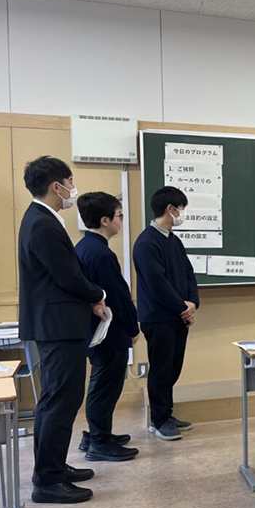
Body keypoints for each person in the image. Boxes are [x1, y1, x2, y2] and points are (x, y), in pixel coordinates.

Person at [18, 156, 107, 504]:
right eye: (70, 182)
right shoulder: (42, 223)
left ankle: (52, 466)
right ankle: (48, 480)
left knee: (57, 399)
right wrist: (98, 295)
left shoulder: (41, 219)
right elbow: (67, 276)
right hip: (58, 326)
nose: (73, 189)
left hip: (57, 324)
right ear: (56, 186)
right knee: (60, 399)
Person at [75, 192, 140, 462]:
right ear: (105, 220)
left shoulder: (85, 246)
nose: (121, 220)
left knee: (103, 384)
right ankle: (99, 442)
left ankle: (98, 434)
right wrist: (133, 328)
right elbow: (118, 297)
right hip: (108, 332)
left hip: (97, 330)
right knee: (105, 386)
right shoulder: (101, 254)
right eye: (119, 216)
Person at [133, 186, 199, 443]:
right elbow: (157, 284)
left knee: (173, 368)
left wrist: (192, 303)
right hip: (159, 318)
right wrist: (182, 307)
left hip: (177, 316)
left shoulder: (174, 240)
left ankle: (166, 414)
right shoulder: (146, 242)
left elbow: (188, 274)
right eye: (181, 208)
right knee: (161, 370)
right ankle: (159, 420)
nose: (182, 213)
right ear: (170, 208)